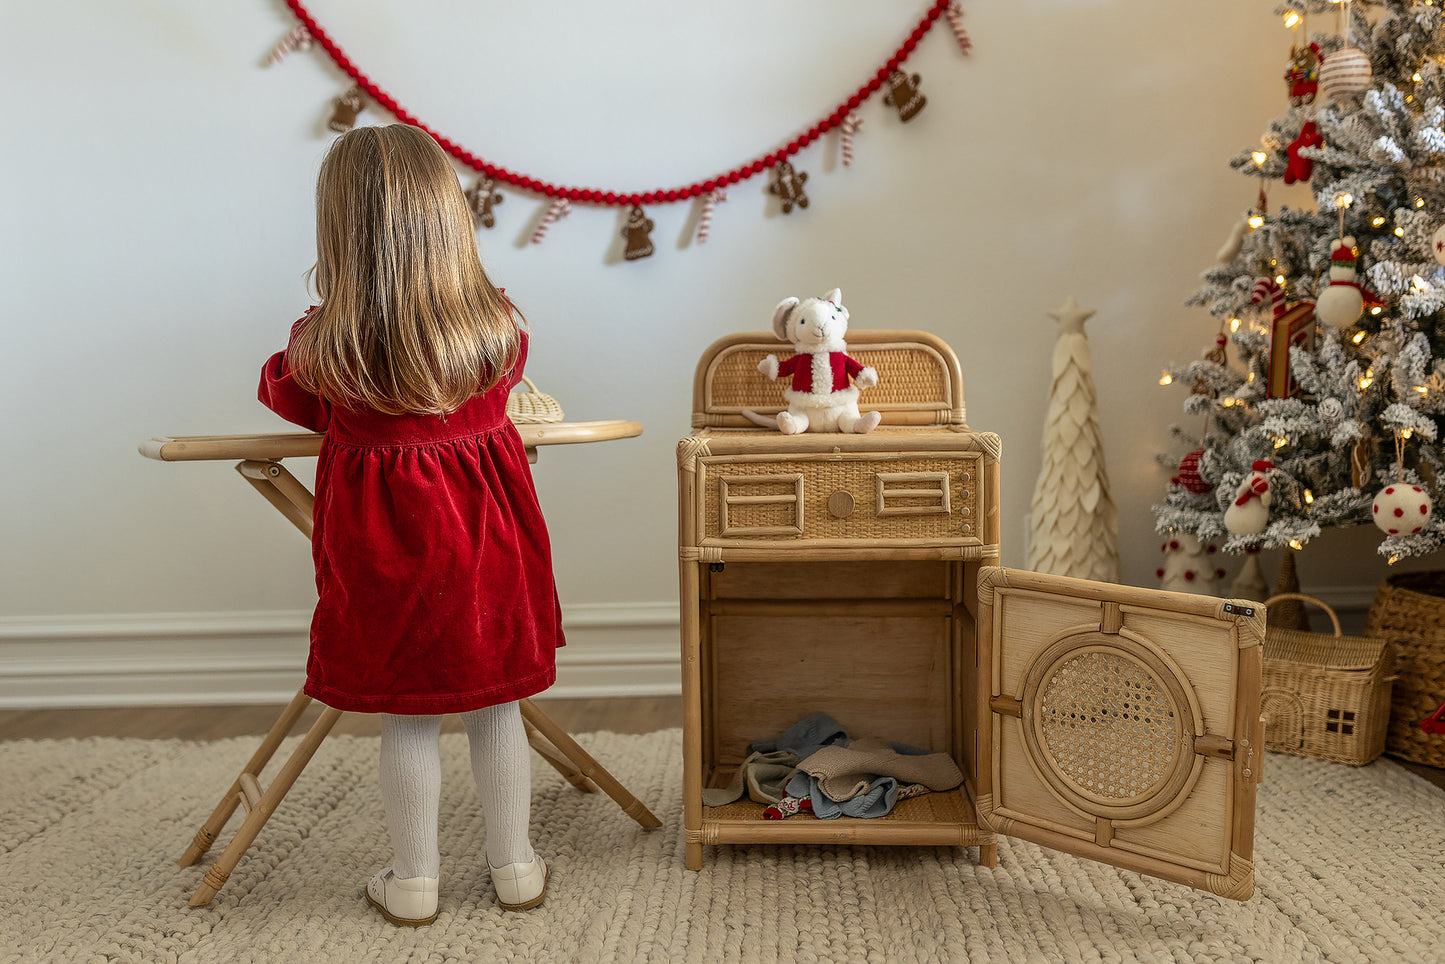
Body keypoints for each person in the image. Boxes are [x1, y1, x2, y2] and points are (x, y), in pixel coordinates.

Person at [258, 124, 562, 925]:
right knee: (496, 704)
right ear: (449, 220)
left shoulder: (324, 345)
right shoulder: (497, 328)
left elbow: (282, 396)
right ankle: (516, 869)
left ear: (340, 232)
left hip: (387, 553)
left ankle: (415, 881)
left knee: (410, 714)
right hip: (490, 543)